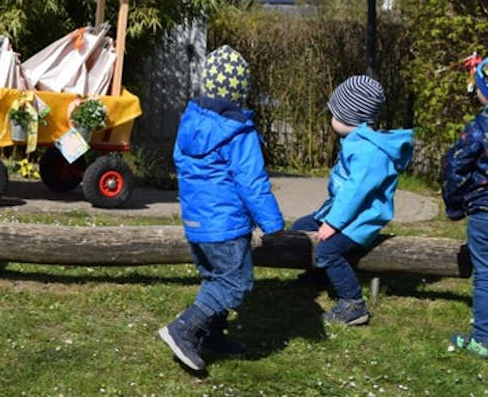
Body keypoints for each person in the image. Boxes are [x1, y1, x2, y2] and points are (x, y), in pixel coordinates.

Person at [158, 45, 284, 371]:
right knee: (234, 283)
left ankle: (210, 335)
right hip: (225, 226)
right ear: (240, 89)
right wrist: (272, 223)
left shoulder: (190, 123)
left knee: (214, 277)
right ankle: (183, 329)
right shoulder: (239, 132)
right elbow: (251, 182)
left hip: (196, 224)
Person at [290, 75, 413, 326]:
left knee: (328, 249)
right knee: (300, 228)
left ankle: (353, 303)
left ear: (349, 117)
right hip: (342, 213)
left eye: (334, 113)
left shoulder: (368, 151)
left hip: (360, 220)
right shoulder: (355, 143)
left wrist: (333, 224)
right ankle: (320, 274)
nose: (331, 118)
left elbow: (354, 195)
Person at [443, 59, 488, 358]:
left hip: (484, 210)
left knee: (485, 272)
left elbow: (454, 166)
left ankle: (483, 339)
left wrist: (455, 205)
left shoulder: (479, 127)